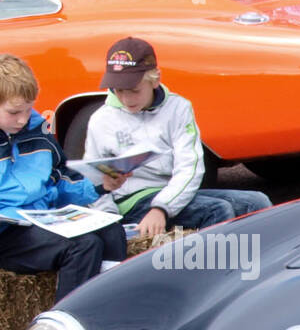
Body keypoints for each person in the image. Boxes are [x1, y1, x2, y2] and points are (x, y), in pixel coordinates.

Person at [85, 38, 271, 240]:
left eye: (134, 90)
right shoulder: (101, 120)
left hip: (168, 193)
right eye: (119, 90)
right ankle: (210, 271)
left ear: (155, 80)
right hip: (131, 200)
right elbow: (93, 179)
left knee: (257, 202)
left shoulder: (179, 108)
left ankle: (262, 265)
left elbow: (190, 166)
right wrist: (111, 224)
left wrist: (162, 207)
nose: (126, 98)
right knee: (217, 210)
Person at [0, 55, 126, 300]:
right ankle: (63, 327)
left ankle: (112, 305)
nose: (23, 119)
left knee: (111, 230)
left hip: (40, 218)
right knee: (83, 247)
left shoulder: (37, 132)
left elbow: (60, 181)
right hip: (6, 231)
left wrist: (101, 183)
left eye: (28, 109)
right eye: (14, 112)